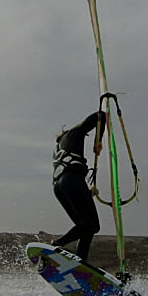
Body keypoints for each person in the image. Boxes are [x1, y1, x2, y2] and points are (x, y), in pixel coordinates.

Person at [51, 109, 106, 263]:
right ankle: (57, 245)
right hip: (71, 181)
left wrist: (86, 191)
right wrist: (98, 140)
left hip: (60, 187)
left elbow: (66, 173)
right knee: (93, 226)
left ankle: (80, 262)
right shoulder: (74, 133)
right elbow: (100, 116)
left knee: (85, 226)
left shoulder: (59, 148)